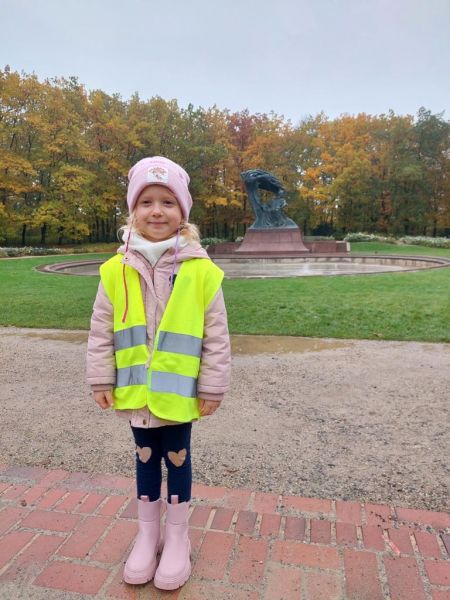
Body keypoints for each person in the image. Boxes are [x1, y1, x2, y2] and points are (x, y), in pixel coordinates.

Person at [86, 156, 231, 590]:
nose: (156, 211)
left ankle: (178, 536)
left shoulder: (201, 270)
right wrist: (101, 377)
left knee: (178, 457)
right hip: (136, 389)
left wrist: (212, 386)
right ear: (133, 210)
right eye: (146, 202)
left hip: (179, 392)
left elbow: (216, 334)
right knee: (145, 457)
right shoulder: (115, 269)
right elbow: (100, 329)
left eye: (167, 202)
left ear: (182, 212)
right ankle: (147, 535)